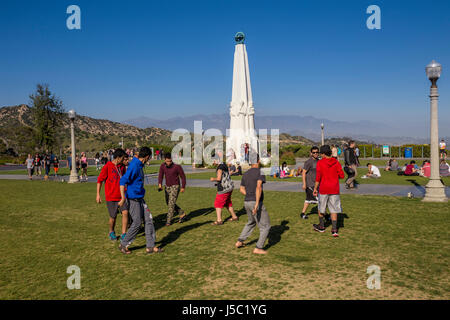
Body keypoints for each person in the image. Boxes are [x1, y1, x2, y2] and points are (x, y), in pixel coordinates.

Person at [118, 147, 162, 254]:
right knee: (137, 223)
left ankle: (150, 246)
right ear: (147, 157)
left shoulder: (139, 164)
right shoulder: (134, 166)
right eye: (149, 158)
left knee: (149, 220)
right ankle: (123, 244)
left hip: (140, 199)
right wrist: (123, 198)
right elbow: (122, 181)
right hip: (133, 199)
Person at [235, 154, 270, 255]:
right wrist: (257, 204)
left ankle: (239, 241)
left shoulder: (245, 174)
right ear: (258, 161)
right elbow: (259, 187)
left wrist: (249, 195)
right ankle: (258, 247)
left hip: (247, 202)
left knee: (251, 222)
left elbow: (241, 189)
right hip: (255, 202)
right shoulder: (260, 172)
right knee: (265, 226)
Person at [97, 149, 129, 241]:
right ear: (118, 158)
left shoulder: (122, 167)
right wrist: (98, 194)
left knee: (125, 213)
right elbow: (99, 180)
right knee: (113, 217)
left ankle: (124, 234)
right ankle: (111, 231)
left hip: (122, 195)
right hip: (111, 197)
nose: (123, 160)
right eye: (122, 158)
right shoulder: (107, 166)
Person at [312, 145, 345, 237]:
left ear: (323, 154)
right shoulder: (336, 162)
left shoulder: (320, 163)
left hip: (323, 188)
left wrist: (315, 189)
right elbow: (342, 176)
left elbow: (318, 177)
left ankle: (321, 226)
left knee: (321, 208)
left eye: (320, 153)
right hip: (334, 189)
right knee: (334, 209)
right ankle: (334, 229)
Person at [210, 151, 239, 225]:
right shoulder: (224, 164)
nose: (213, 162)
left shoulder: (219, 167)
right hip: (230, 187)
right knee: (227, 203)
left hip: (224, 189)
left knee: (217, 204)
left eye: (213, 160)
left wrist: (213, 179)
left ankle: (219, 220)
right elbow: (227, 174)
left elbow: (219, 178)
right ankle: (234, 216)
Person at [158, 153, 187, 226]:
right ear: (164, 160)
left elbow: (183, 177)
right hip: (167, 186)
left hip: (175, 186)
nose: (168, 163)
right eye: (167, 161)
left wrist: (183, 187)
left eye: (170, 161)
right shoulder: (162, 166)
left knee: (171, 204)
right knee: (169, 202)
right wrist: (160, 185)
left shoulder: (177, 166)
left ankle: (168, 221)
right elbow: (160, 175)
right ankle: (182, 213)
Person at [300, 146, 320, 219]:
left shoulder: (319, 161)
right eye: (314, 152)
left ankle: (302, 213)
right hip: (310, 184)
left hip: (317, 183)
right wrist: (304, 184)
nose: (315, 154)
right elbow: (303, 172)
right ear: (311, 153)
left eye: (317, 152)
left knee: (308, 199)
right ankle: (323, 216)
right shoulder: (308, 162)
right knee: (319, 200)